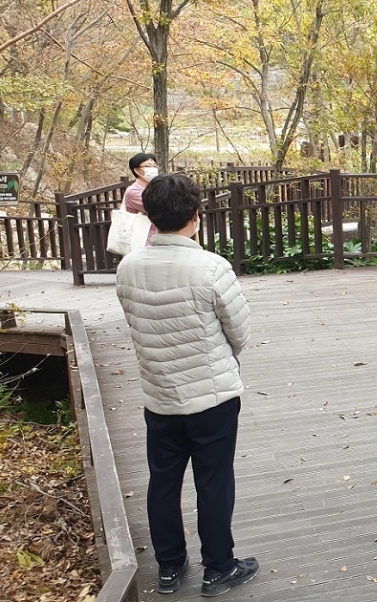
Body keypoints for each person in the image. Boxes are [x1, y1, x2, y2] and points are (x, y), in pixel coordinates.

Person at [115, 174, 258, 597]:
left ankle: (169, 568)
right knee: (214, 481)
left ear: (151, 216)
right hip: (211, 394)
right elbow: (241, 332)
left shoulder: (128, 267)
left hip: (159, 394)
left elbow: (135, 323)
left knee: (163, 482)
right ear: (196, 216)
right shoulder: (211, 266)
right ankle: (218, 567)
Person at [124, 153, 159, 246]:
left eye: (154, 166)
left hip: (157, 238)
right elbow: (158, 208)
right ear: (137, 170)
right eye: (148, 166)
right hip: (142, 240)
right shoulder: (134, 191)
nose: (153, 169)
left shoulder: (156, 187)